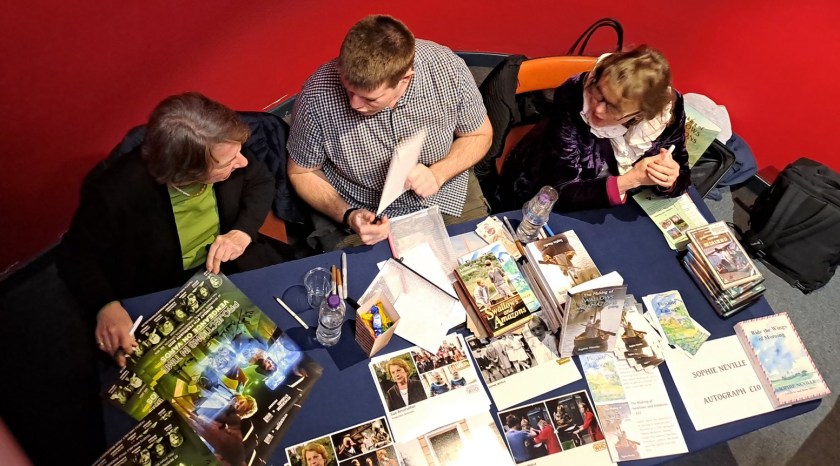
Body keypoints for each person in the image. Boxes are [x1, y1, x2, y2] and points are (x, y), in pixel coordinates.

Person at [57, 92, 287, 367]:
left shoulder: (224, 145)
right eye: (229, 163)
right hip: (161, 284)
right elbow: (75, 257)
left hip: (231, 261)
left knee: (286, 333)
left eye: (240, 151)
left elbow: (260, 181)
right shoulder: (114, 193)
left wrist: (242, 232)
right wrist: (105, 306)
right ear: (186, 174)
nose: (243, 162)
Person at [287, 14, 492, 250]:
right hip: (365, 208)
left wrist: (439, 173)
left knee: (479, 269)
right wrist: (349, 215)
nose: (354, 104)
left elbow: (479, 134)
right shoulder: (316, 97)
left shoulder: (447, 69)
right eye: (347, 88)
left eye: (368, 98)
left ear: (404, 80)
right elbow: (301, 173)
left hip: (446, 194)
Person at [497, 45, 689, 213]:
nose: (597, 109)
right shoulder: (573, 96)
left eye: (614, 108)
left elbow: (681, 171)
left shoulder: (666, 113)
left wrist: (669, 178)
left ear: (640, 115)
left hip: (616, 202)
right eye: (597, 92)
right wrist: (631, 180)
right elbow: (557, 191)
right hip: (543, 186)